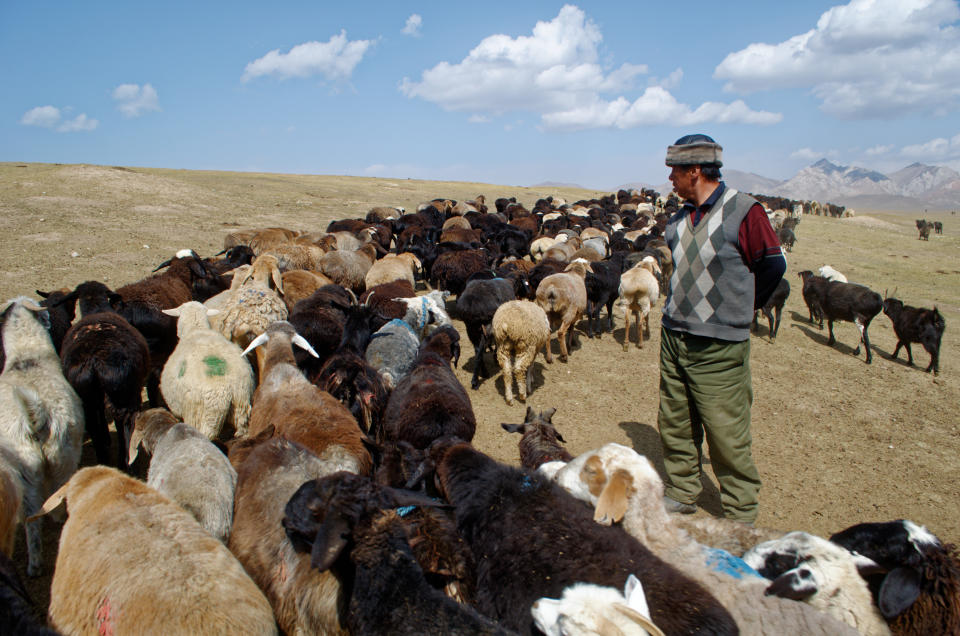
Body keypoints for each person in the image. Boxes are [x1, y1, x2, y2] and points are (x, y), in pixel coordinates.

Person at [657, 134, 786, 524]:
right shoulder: (678, 221)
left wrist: (739, 312)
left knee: (727, 433)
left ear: (695, 171)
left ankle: (740, 513)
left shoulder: (745, 212)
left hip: (719, 345)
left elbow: (773, 267)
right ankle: (682, 492)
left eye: (675, 172)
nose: (671, 180)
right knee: (675, 422)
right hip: (674, 336)